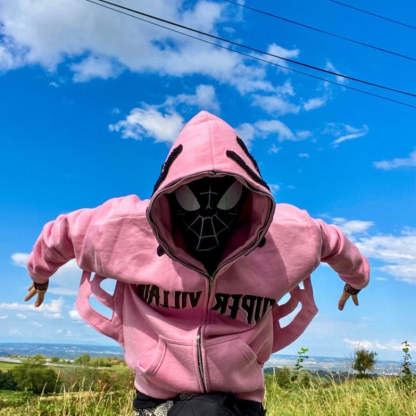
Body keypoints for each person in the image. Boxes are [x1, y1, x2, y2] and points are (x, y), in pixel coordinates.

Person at [25, 111, 370, 415]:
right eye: (192, 201)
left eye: (225, 201)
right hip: (159, 395)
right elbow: (63, 233)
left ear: (248, 198)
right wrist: (40, 274)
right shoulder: (126, 227)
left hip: (239, 399)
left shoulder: (284, 235)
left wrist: (356, 280)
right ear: (169, 196)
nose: (208, 216)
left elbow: (334, 243)